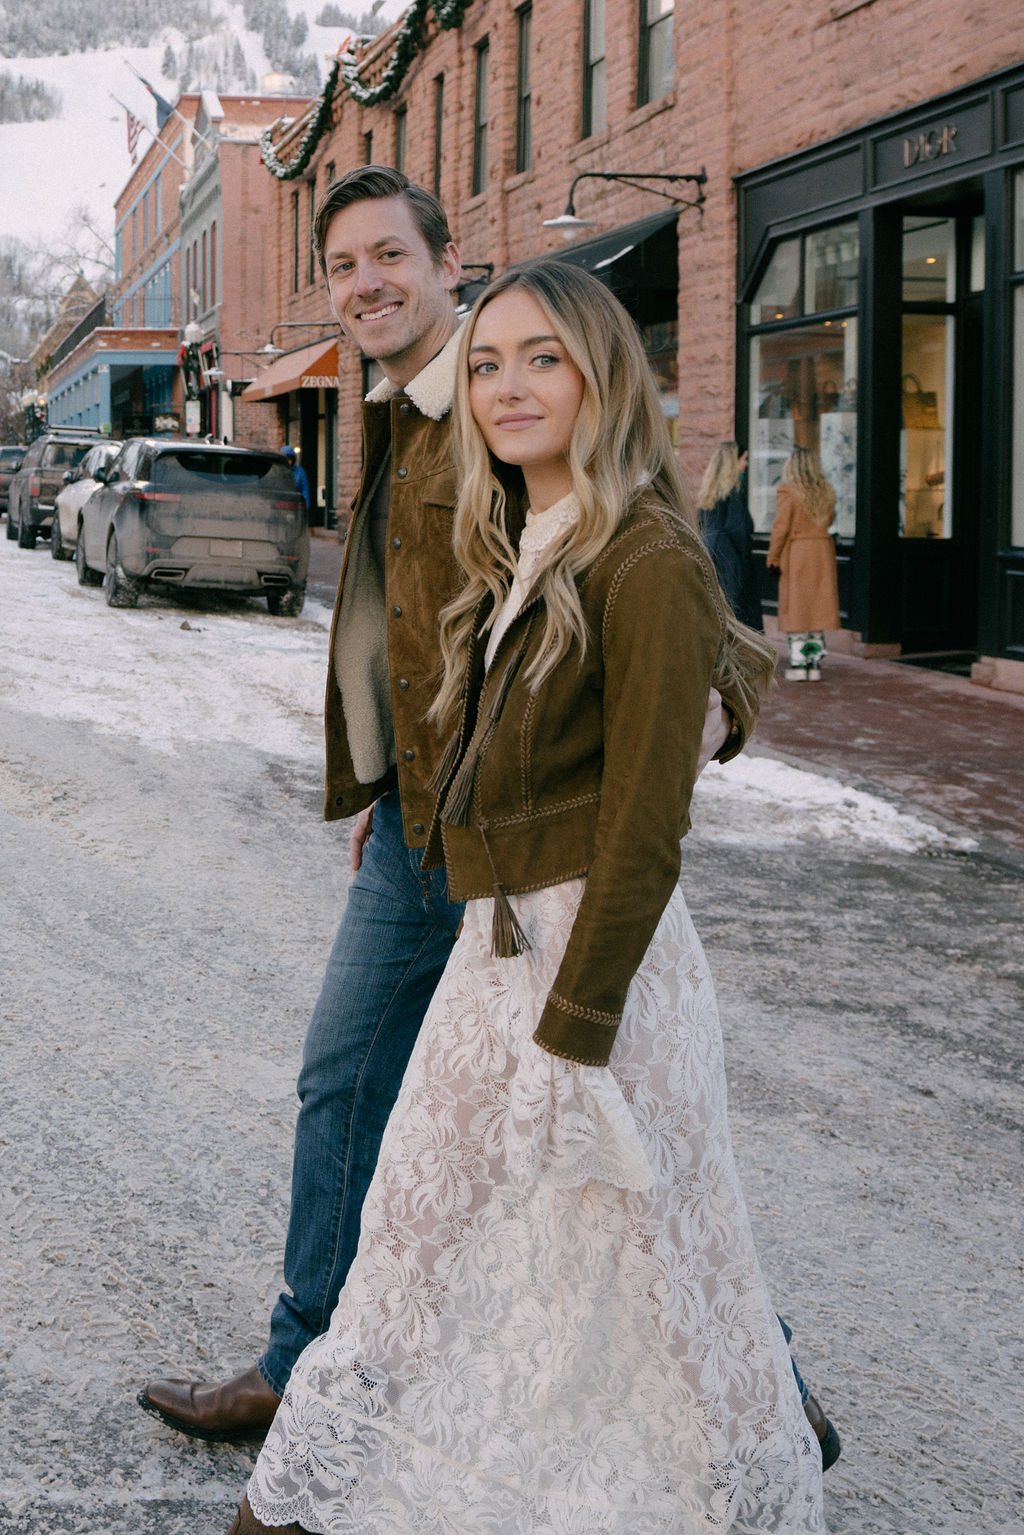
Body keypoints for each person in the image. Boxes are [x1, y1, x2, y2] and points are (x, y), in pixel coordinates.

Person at [139, 168, 837, 1471]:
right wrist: (389, 773)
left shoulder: (511, 393)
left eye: (389, 255)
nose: (366, 284)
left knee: (584, 1124)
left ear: (443, 261)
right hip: (423, 827)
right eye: (343, 264)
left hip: (531, 842)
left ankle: (763, 1380)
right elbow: (418, 625)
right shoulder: (401, 409)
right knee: (384, 1100)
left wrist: (713, 702)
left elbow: (662, 574)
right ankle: (313, 1364)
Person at [766, 447, 840, 680]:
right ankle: (814, 664)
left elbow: (781, 528)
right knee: (817, 610)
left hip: (798, 553)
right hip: (821, 551)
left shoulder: (788, 492)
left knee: (797, 609)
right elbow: (829, 520)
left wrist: (773, 556)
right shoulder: (827, 492)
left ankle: (799, 665)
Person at [697, 440, 763, 631]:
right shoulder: (733, 493)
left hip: (711, 553)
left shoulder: (708, 493)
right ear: (734, 463)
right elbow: (739, 527)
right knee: (736, 614)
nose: (746, 464)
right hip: (731, 559)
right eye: (744, 459)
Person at [280, 444, 310, 511]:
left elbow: (305, 490)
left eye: (290, 458)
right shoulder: (279, 471)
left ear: (293, 459)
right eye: (286, 459)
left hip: (296, 506)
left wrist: (305, 506)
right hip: (281, 505)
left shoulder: (300, 472)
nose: (288, 461)